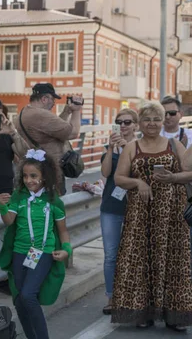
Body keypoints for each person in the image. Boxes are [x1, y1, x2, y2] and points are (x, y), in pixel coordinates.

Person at [112, 102, 192, 331]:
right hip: (140, 213)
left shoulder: (174, 144)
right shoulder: (132, 147)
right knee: (140, 261)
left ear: (163, 121)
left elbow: (189, 172)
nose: (152, 124)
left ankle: (174, 315)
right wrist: (138, 182)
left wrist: (174, 179)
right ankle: (143, 312)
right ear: (140, 123)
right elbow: (119, 178)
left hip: (172, 214)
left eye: (157, 119)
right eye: (147, 119)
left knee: (173, 262)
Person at [0, 149, 71, 339]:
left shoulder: (54, 201)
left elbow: (63, 232)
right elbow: (9, 221)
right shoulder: (18, 197)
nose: (29, 180)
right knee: (19, 300)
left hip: (43, 252)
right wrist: (2, 206)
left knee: (29, 295)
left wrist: (66, 250)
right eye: (25, 176)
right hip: (20, 252)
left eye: (34, 176)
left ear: (45, 177)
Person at [99, 109, 138, 315]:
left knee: (133, 254)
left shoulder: (140, 148)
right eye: (118, 122)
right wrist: (111, 148)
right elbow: (105, 173)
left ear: (135, 126)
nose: (123, 125)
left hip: (135, 207)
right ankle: (111, 298)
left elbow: (139, 173)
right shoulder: (111, 147)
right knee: (110, 255)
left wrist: (126, 150)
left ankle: (131, 297)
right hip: (111, 207)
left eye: (127, 122)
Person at [16, 83, 83, 195]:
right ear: (44, 99)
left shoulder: (24, 112)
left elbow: (53, 130)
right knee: (53, 209)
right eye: (53, 100)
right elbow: (73, 133)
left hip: (36, 171)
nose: (53, 104)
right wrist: (77, 110)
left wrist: (67, 111)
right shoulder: (40, 114)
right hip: (51, 175)